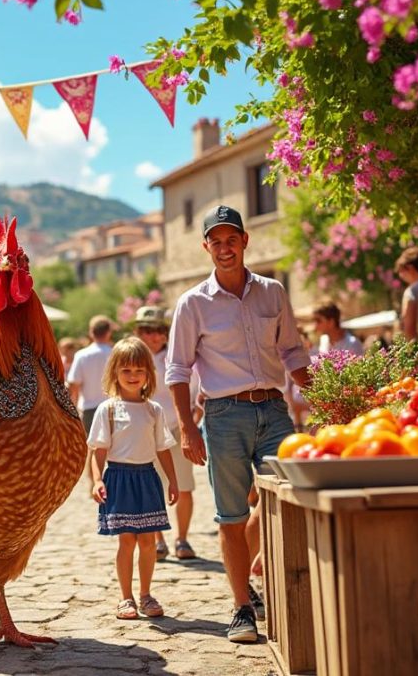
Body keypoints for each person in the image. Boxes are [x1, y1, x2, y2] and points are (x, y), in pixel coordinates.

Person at [166, 205, 311, 643]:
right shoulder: (192, 303)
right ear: (206, 246)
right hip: (223, 416)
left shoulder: (273, 292)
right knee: (231, 516)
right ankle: (242, 609)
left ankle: (251, 576)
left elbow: (293, 354)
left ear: (245, 241)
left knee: (283, 501)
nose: (225, 248)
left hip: (273, 410)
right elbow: (177, 370)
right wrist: (189, 431)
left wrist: (331, 396)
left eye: (232, 239)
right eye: (217, 240)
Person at [87, 337, 179, 620]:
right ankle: (125, 598)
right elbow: (97, 451)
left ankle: (146, 595)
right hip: (118, 479)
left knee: (149, 542)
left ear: (148, 374)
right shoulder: (108, 410)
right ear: (114, 372)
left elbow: (163, 449)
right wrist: (97, 481)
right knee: (126, 541)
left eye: (139, 370)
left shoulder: (154, 410)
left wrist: (173, 481)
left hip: (147, 479)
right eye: (126, 370)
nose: (133, 376)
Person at [133, 306, 200, 562]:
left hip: (177, 427)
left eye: (160, 331)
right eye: (148, 331)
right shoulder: (132, 357)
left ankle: (182, 539)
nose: (155, 336)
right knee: (153, 487)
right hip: (145, 430)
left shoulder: (178, 355)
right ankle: (159, 540)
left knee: (184, 486)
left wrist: (192, 424)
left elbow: (196, 390)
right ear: (139, 332)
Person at [69, 315, 115, 435]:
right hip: (113, 408)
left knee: (91, 449)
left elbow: (74, 385)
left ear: (91, 332)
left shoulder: (82, 355)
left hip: (88, 409)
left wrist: (73, 411)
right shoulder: (115, 354)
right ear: (109, 333)